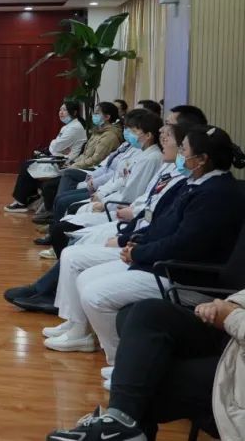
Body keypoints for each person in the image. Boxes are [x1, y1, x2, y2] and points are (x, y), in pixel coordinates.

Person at [44, 126, 245, 365]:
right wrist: (137, 243)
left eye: (184, 149)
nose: (180, 154)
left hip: (183, 275)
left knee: (94, 295)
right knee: (85, 278)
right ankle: (107, 348)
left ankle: (123, 362)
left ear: (201, 159)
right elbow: (162, 224)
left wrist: (139, 252)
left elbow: (182, 244)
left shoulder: (216, 194)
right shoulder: (197, 183)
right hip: (161, 261)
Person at [47, 293, 244, 441]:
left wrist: (232, 316)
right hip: (234, 338)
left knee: (145, 379)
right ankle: (119, 422)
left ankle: (120, 425)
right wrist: (228, 303)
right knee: (146, 312)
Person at [33, 102, 123, 223]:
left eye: (97, 113)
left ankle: (56, 215)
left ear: (107, 117)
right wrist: (73, 162)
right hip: (85, 165)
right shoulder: (98, 131)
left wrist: (74, 165)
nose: (94, 116)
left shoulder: (109, 136)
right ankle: (54, 212)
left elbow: (95, 159)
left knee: (67, 174)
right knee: (50, 184)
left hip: (93, 168)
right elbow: (85, 154)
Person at [3, 101, 87, 213]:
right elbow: (56, 147)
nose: (61, 112)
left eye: (65, 110)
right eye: (60, 109)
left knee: (28, 166)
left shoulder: (74, 128)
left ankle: (21, 203)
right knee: (29, 164)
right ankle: (29, 197)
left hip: (64, 163)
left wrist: (55, 144)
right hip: (58, 158)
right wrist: (56, 145)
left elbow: (56, 146)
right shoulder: (69, 126)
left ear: (74, 112)